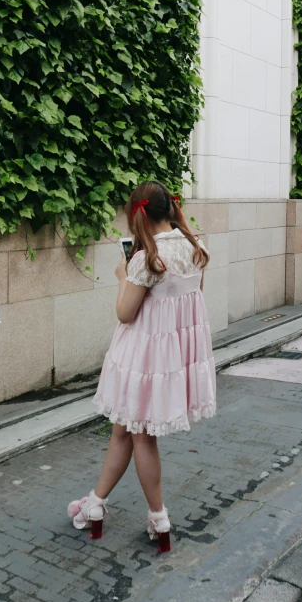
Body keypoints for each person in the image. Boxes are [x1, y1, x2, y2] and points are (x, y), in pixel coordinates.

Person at [68, 181, 216, 552]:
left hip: (142, 361)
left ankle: (159, 517)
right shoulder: (195, 248)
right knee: (123, 430)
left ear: (138, 214)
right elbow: (190, 302)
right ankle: (95, 505)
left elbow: (125, 313)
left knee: (141, 437)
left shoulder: (146, 258)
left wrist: (122, 277)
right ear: (169, 209)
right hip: (168, 362)